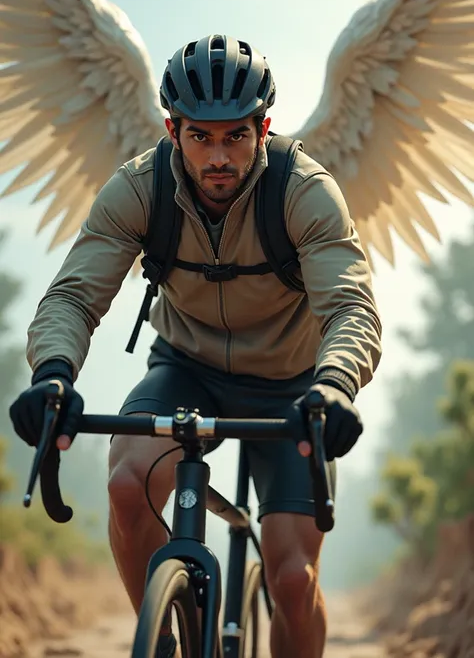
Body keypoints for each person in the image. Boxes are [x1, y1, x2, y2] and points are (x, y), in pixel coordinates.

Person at [9, 34, 382, 658]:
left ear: (264, 129)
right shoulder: (138, 188)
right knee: (128, 485)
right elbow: (73, 296)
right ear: (172, 129)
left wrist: (336, 385)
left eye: (235, 135)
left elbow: (350, 306)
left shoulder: (305, 192)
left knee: (292, 581)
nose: (218, 156)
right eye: (200, 136)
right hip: (186, 368)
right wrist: (53, 374)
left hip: (294, 387)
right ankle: (165, 640)